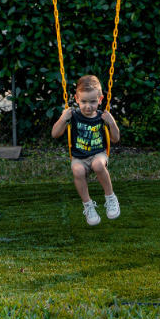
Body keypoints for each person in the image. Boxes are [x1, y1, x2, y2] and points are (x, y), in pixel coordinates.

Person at [51, 75, 121, 226]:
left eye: (93, 102)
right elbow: (55, 134)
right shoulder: (73, 116)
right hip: (79, 157)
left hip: (98, 154)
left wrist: (112, 123)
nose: (88, 106)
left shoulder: (102, 117)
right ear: (76, 99)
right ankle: (88, 205)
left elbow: (115, 139)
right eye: (83, 101)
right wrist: (63, 119)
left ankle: (110, 197)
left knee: (98, 165)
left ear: (100, 99)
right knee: (77, 170)